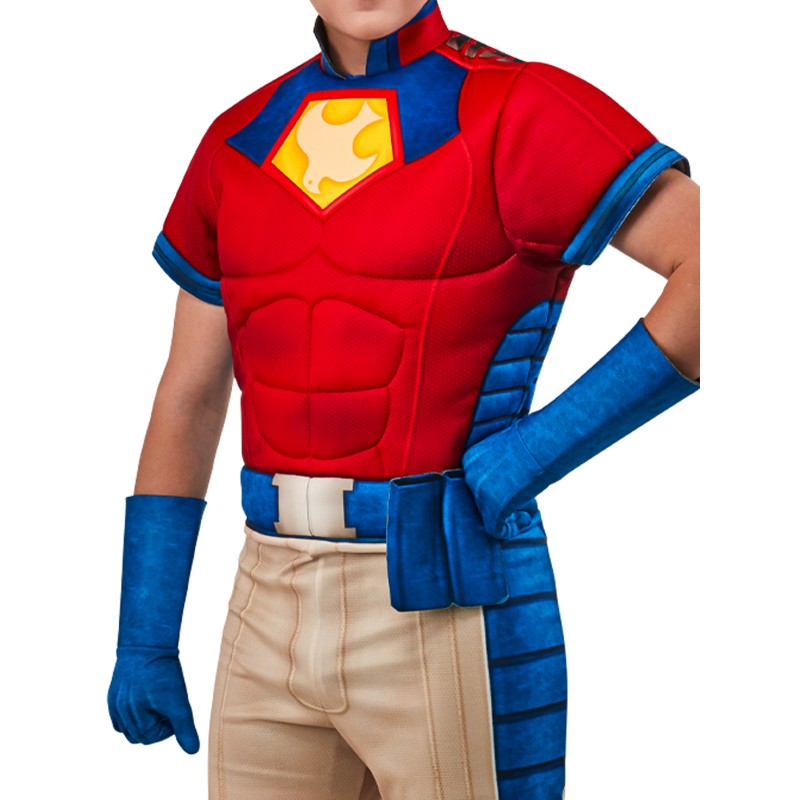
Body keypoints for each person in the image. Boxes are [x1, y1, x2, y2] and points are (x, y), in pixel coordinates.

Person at [107, 1, 700, 798]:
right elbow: (191, 391)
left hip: (446, 583)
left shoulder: (520, 109)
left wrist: (531, 454)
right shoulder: (235, 140)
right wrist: (145, 632)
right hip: (265, 596)